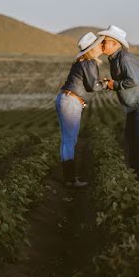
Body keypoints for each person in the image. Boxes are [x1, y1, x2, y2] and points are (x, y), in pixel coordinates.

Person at [99, 25, 139, 182]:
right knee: (131, 137)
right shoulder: (115, 59)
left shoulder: (124, 58)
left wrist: (114, 85)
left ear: (115, 44)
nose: (102, 44)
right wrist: (111, 83)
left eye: (105, 42)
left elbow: (133, 80)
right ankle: (137, 174)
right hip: (135, 104)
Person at [55, 31, 106, 188]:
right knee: (69, 141)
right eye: (98, 44)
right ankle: (70, 180)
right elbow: (93, 86)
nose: (101, 46)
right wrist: (106, 83)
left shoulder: (81, 62)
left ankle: (68, 177)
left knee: (67, 141)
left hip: (66, 99)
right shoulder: (89, 63)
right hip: (71, 102)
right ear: (92, 48)